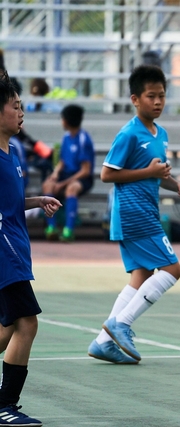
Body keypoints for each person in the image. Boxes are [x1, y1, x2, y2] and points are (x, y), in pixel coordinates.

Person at [87, 65, 180, 364]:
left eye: (161, 96)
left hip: (145, 210)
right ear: (135, 99)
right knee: (173, 269)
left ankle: (103, 342)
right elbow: (107, 174)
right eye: (150, 96)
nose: (157, 102)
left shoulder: (162, 133)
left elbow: (156, 174)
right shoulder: (129, 134)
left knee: (141, 276)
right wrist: (150, 171)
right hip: (134, 213)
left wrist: (176, 185)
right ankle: (122, 324)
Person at [0, 70, 62, 427]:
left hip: (16, 250)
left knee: (8, 327)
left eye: (22, 106)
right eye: (15, 107)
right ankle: (5, 404)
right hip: (4, 252)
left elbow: (10, 201)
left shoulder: (15, 152)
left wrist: (36, 200)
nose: (21, 113)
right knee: (27, 323)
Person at [42, 104, 95, 242]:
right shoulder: (66, 137)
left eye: (62, 118)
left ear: (66, 120)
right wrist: (55, 174)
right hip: (66, 175)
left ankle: (68, 230)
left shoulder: (84, 139)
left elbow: (86, 170)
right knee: (48, 185)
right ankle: (51, 228)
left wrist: (63, 184)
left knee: (71, 189)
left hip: (82, 178)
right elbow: (63, 161)